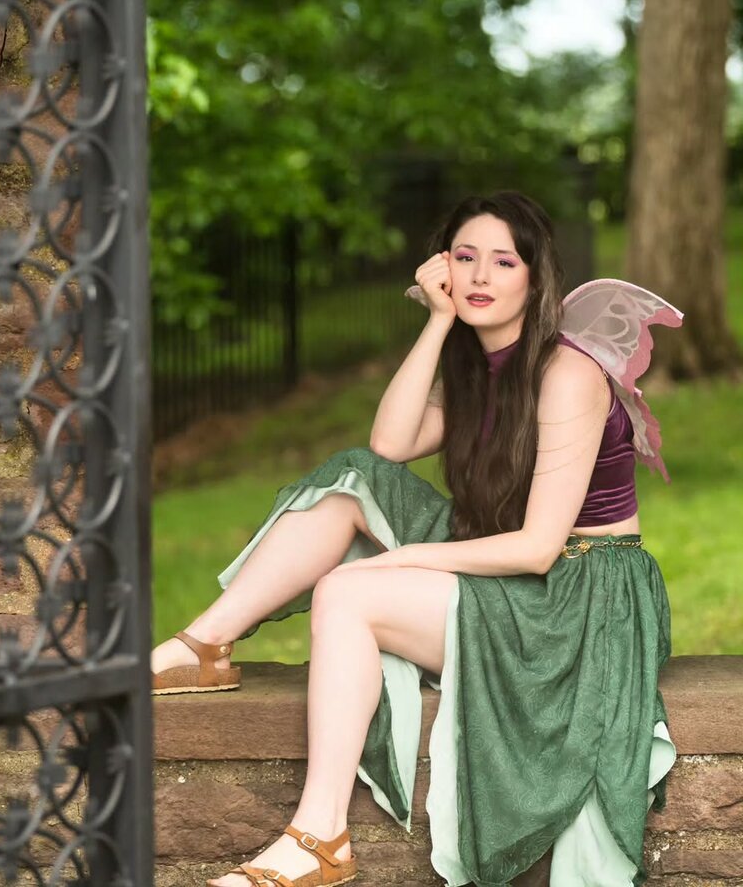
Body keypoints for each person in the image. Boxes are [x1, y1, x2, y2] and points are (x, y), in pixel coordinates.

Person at [151, 191, 678, 887]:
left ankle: (319, 839)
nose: (481, 276)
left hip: (581, 598)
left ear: (535, 278)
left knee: (347, 593)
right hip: (512, 560)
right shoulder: (480, 369)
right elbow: (389, 445)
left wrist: (402, 560)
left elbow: (538, 548)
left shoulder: (567, 374)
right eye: (465, 257)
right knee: (351, 480)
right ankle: (204, 646)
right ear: (442, 269)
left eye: (504, 261)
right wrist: (437, 323)